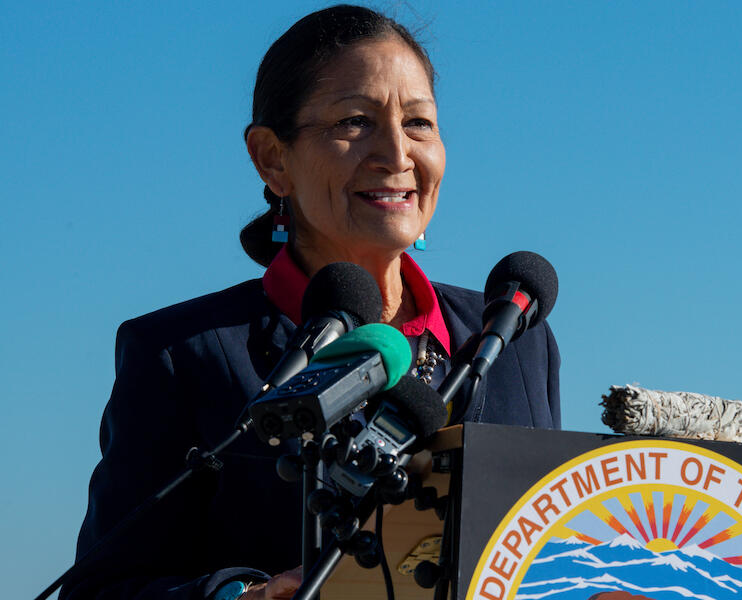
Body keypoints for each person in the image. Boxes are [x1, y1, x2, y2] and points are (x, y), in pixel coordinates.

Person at [62, 6, 560, 600]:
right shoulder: (180, 355)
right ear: (273, 158)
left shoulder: (513, 339)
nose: (397, 153)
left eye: (420, 124)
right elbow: (99, 589)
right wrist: (242, 597)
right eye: (356, 121)